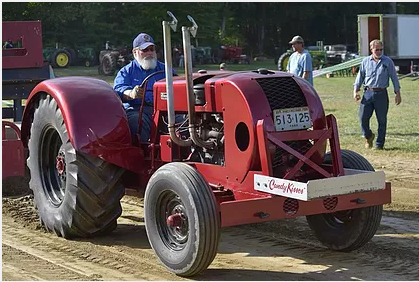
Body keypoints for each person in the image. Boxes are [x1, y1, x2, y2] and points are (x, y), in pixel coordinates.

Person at [113, 32, 176, 144]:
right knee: (137, 122)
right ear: (135, 52)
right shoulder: (126, 71)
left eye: (152, 49)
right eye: (145, 50)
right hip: (138, 109)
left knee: (184, 121)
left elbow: (177, 85)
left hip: (165, 110)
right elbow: (118, 90)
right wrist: (131, 93)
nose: (150, 53)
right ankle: (142, 154)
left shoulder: (166, 69)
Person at [353, 39, 402, 150]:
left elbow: (394, 77)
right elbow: (360, 77)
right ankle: (368, 136)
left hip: (381, 94)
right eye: (377, 50)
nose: (379, 52)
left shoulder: (387, 61)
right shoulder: (365, 61)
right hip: (368, 93)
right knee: (363, 118)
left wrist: (397, 93)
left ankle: (379, 144)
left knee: (382, 120)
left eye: (381, 49)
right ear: (371, 50)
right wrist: (356, 90)